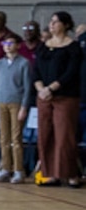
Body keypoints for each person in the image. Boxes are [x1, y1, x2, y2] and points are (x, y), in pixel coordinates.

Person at [34, 11, 83, 186]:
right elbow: (36, 70)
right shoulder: (43, 46)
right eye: (51, 21)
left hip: (65, 96)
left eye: (56, 22)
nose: (52, 24)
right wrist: (40, 89)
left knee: (64, 136)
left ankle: (70, 174)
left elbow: (71, 72)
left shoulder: (73, 47)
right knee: (46, 135)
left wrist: (51, 88)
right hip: (44, 97)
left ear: (66, 25)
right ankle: (51, 173)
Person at [0, 36, 34, 183]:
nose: (7, 46)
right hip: (1, 103)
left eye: (11, 43)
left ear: (18, 45)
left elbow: (27, 88)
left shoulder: (24, 63)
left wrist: (24, 107)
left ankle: (18, 170)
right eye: (5, 43)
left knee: (16, 138)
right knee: (4, 138)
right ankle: (5, 168)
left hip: (16, 104)